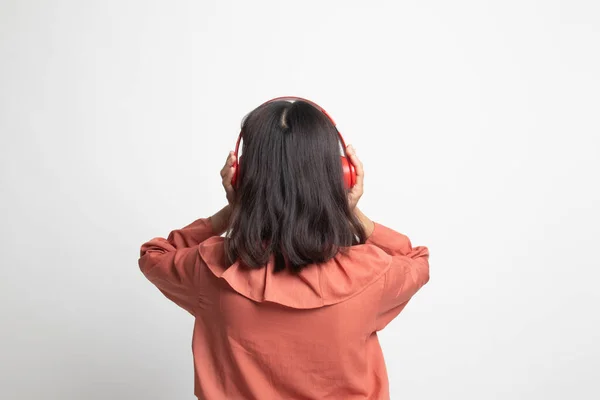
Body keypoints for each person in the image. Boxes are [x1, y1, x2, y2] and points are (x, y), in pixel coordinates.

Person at [138, 97, 430, 400]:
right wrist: (350, 211)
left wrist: (230, 212)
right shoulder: (371, 274)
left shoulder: (211, 270)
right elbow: (416, 259)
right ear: (341, 177)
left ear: (240, 178)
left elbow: (154, 255)